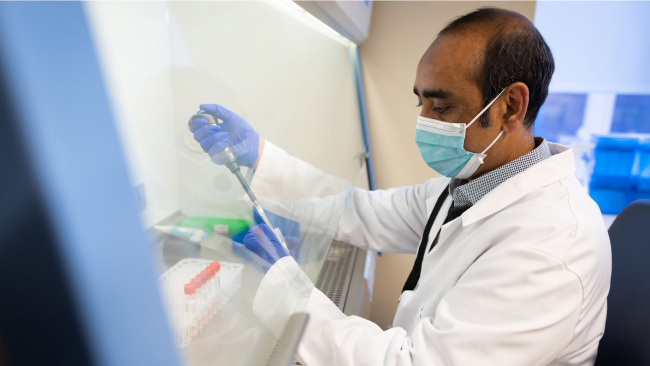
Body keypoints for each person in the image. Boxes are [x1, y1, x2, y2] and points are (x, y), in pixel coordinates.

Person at [189, 8, 611, 366]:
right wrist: (259, 159)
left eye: (441, 106)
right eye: (420, 103)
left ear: (510, 106)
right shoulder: (471, 186)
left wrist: (285, 287)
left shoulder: (551, 245)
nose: (423, 121)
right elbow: (358, 211)